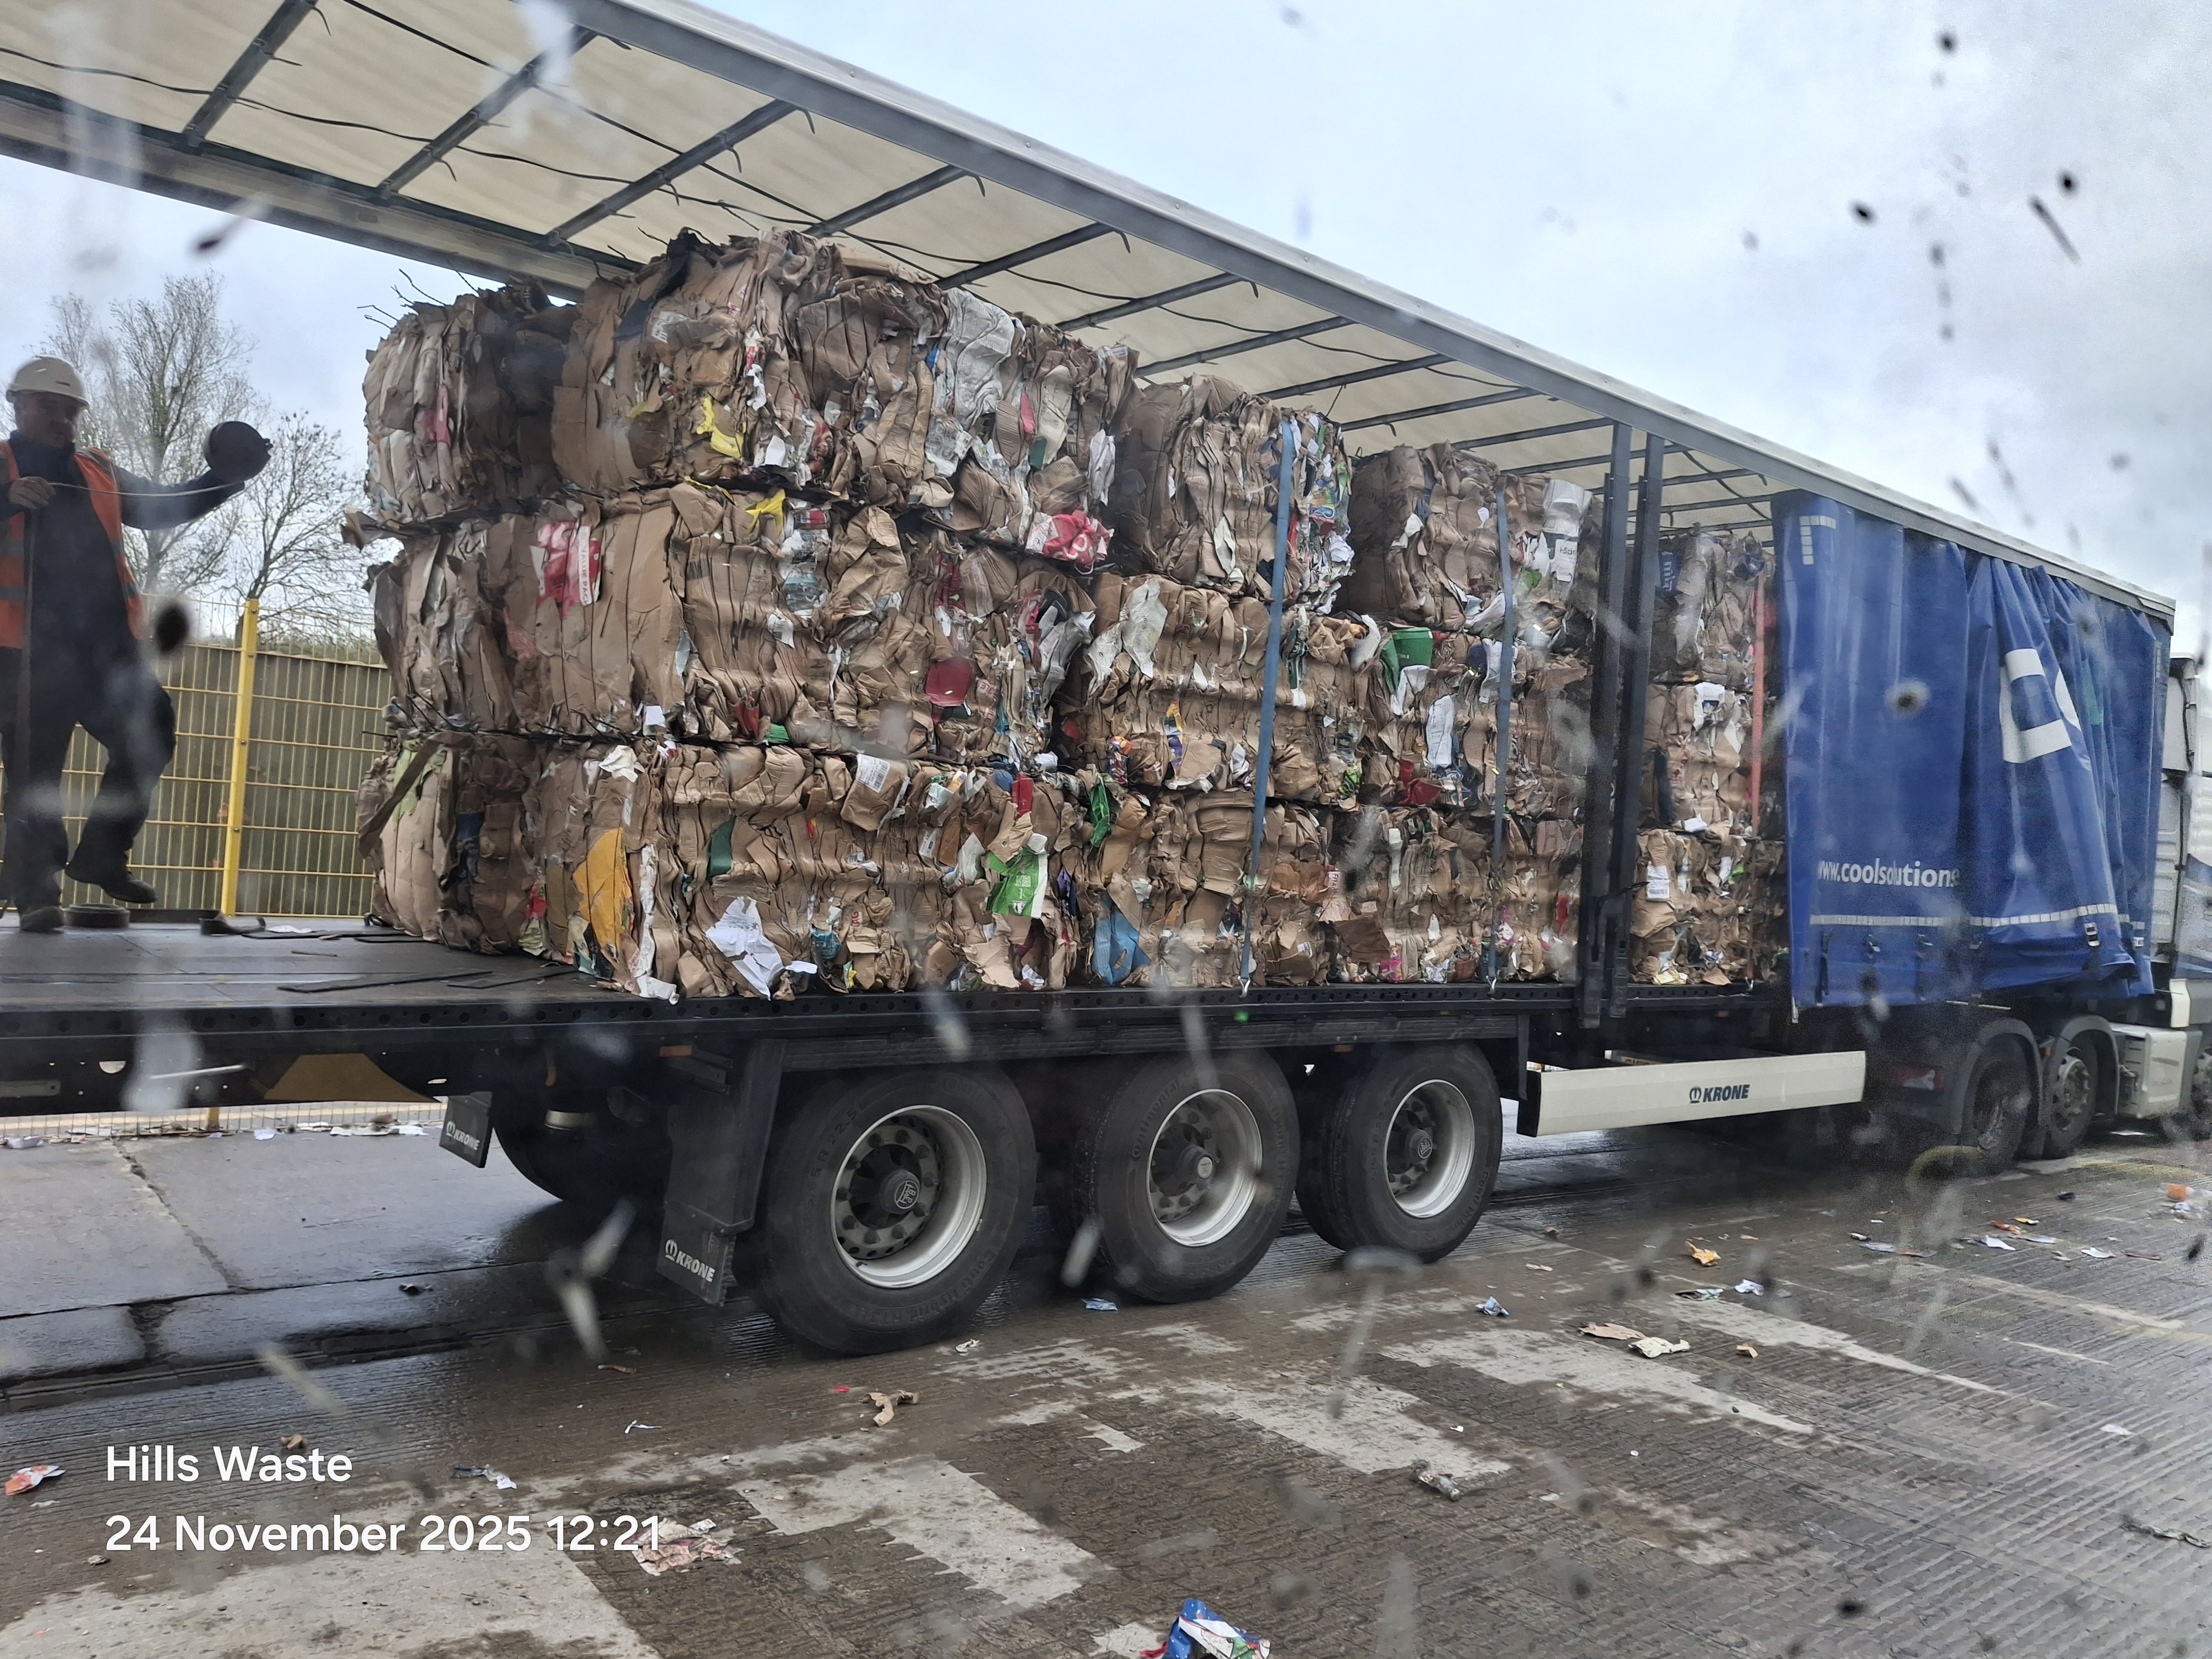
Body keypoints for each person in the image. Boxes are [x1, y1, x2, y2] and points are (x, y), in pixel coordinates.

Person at [0, 356, 267, 933]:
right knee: (34, 777)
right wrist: (8, 498)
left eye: (70, 410)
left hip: (107, 653)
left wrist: (227, 477)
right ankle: (36, 896)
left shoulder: (96, 468)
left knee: (151, 733)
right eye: (48, 406)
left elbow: (161, 507)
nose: (62, 419)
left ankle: (101, 856)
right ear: (16, 404)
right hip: (28, 657)